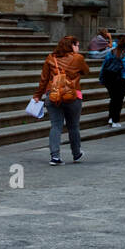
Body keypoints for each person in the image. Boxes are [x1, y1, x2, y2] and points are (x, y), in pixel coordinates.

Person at [34, 35, 90, 166]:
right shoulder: (78, 58)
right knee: (73, 126)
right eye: (77, 45)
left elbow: (44, 79)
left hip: (52, 95)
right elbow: (86, 71)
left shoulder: (50, 58)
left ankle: (55, 156)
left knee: (56, 126)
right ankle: (76, 153)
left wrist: (37, 95)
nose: (78, 48)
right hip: (72, 95)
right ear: (71, 46)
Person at [99, 35, 125, 128]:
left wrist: (101, 78)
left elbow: (104, 66)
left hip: (109, 79)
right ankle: (115, 120)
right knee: (119, 100)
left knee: (113, 99)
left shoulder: (111, 52)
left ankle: (111, 118)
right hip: (121, 79)